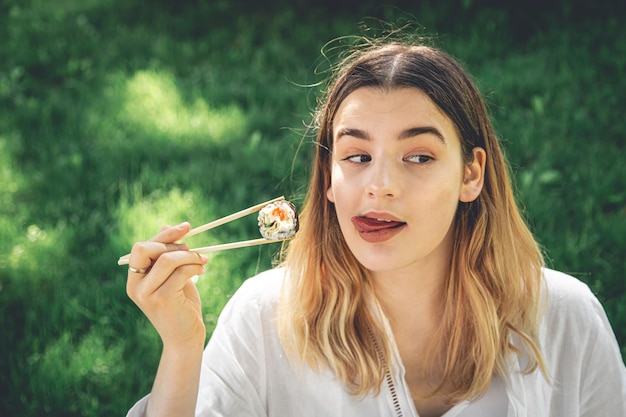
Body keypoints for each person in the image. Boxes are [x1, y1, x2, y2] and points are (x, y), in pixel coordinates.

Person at [124, 35, 626, 417]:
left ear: (471, 173)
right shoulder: (263, 318)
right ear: (328, 179)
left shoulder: (565, 319)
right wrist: (183, 348)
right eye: (357, 155)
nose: (379, 185)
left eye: (419, 156)